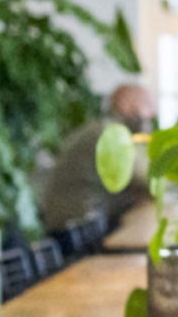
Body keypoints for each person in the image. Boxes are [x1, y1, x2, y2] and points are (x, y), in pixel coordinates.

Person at [35, 83, 157, 231]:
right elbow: (150, 180)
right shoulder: (109, 134)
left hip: (83, 225)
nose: (153, 113)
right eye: (147, 104)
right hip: (78, 232)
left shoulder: (108, 130)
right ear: (125, 104)